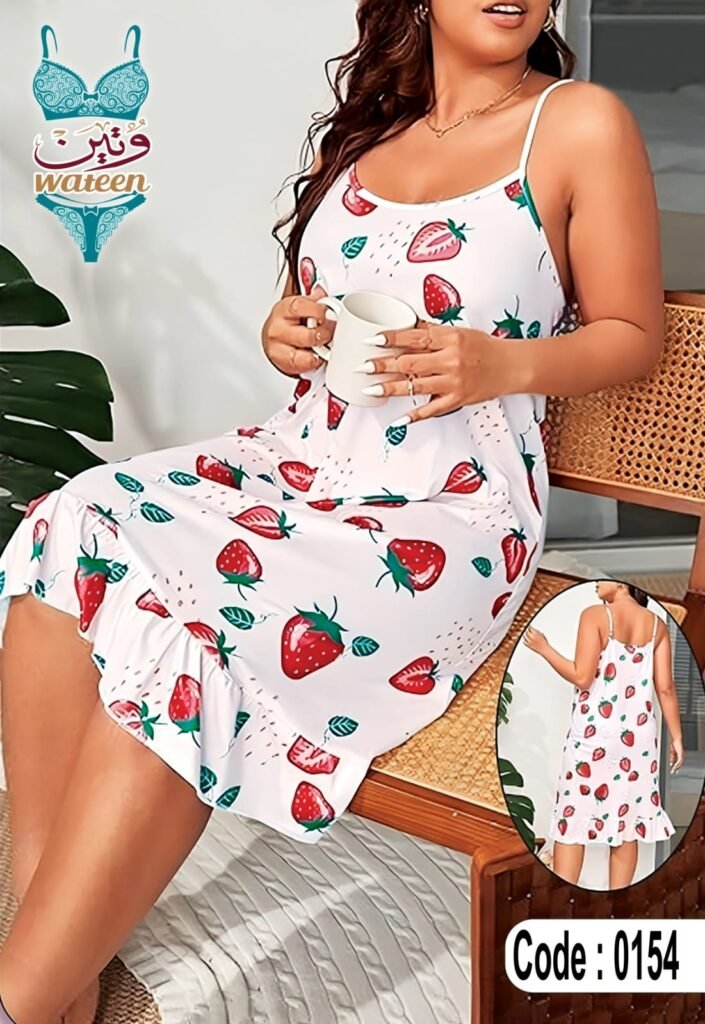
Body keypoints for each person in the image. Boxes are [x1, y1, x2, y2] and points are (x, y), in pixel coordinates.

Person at [0, 1, 665, 1021]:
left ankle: (25, 994)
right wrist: (285, 334)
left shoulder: (576, 121)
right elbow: (319, 319)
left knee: (197, 624)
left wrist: (501, 365)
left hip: (444, 511)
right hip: (299, 464)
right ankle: (53, 964)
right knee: (67, 522)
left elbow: (631, 333)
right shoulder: (367, 135)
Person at [524, 581, 684, 889]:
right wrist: (676, 737)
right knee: (627, 822)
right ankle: (617, 904)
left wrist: (545, 649)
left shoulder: (596, 615)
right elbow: (665, 688)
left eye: (604, 579)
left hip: (594, 735)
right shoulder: (657, 627)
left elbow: (582, 677)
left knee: (572, 817)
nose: (597, 582)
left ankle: (565, 899)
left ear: (622, 585)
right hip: (638, 742)